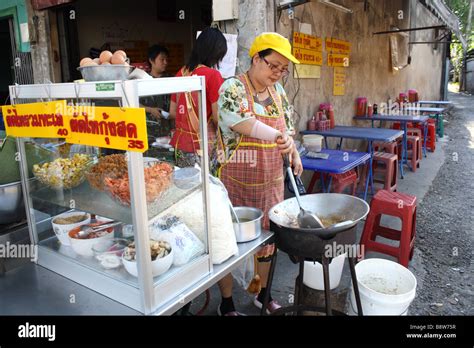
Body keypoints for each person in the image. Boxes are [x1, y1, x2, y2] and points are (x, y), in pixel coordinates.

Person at [216, 32, 303, 315]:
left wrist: (294, 151)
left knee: (268, 241)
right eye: (273, 65)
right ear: (256, 58)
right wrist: (279, 135)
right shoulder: (233, 87)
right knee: (229, 242)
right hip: (235, 181)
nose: (277, 73)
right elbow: (241, 122)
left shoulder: (278, 93)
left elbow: (287, 129)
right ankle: (226, 304)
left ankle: (262, 295)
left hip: (271, 184)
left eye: (283, 69)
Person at [169, 27, 227, 168]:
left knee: (186, 187)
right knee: (205, 187)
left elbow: (172, 112)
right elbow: (217, 118)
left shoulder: (180, 73)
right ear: (216, 53)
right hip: (202, 146)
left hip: (179, 145)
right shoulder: (213, 76)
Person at [140, 45, 172, 137]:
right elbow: (132, 103)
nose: (165, 62)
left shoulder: (171, 79)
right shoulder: (142, 79)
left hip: (167, 130)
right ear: (151, 60)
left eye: (167, 59)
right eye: (162, 59)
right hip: (148, 131)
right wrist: (150, 110)